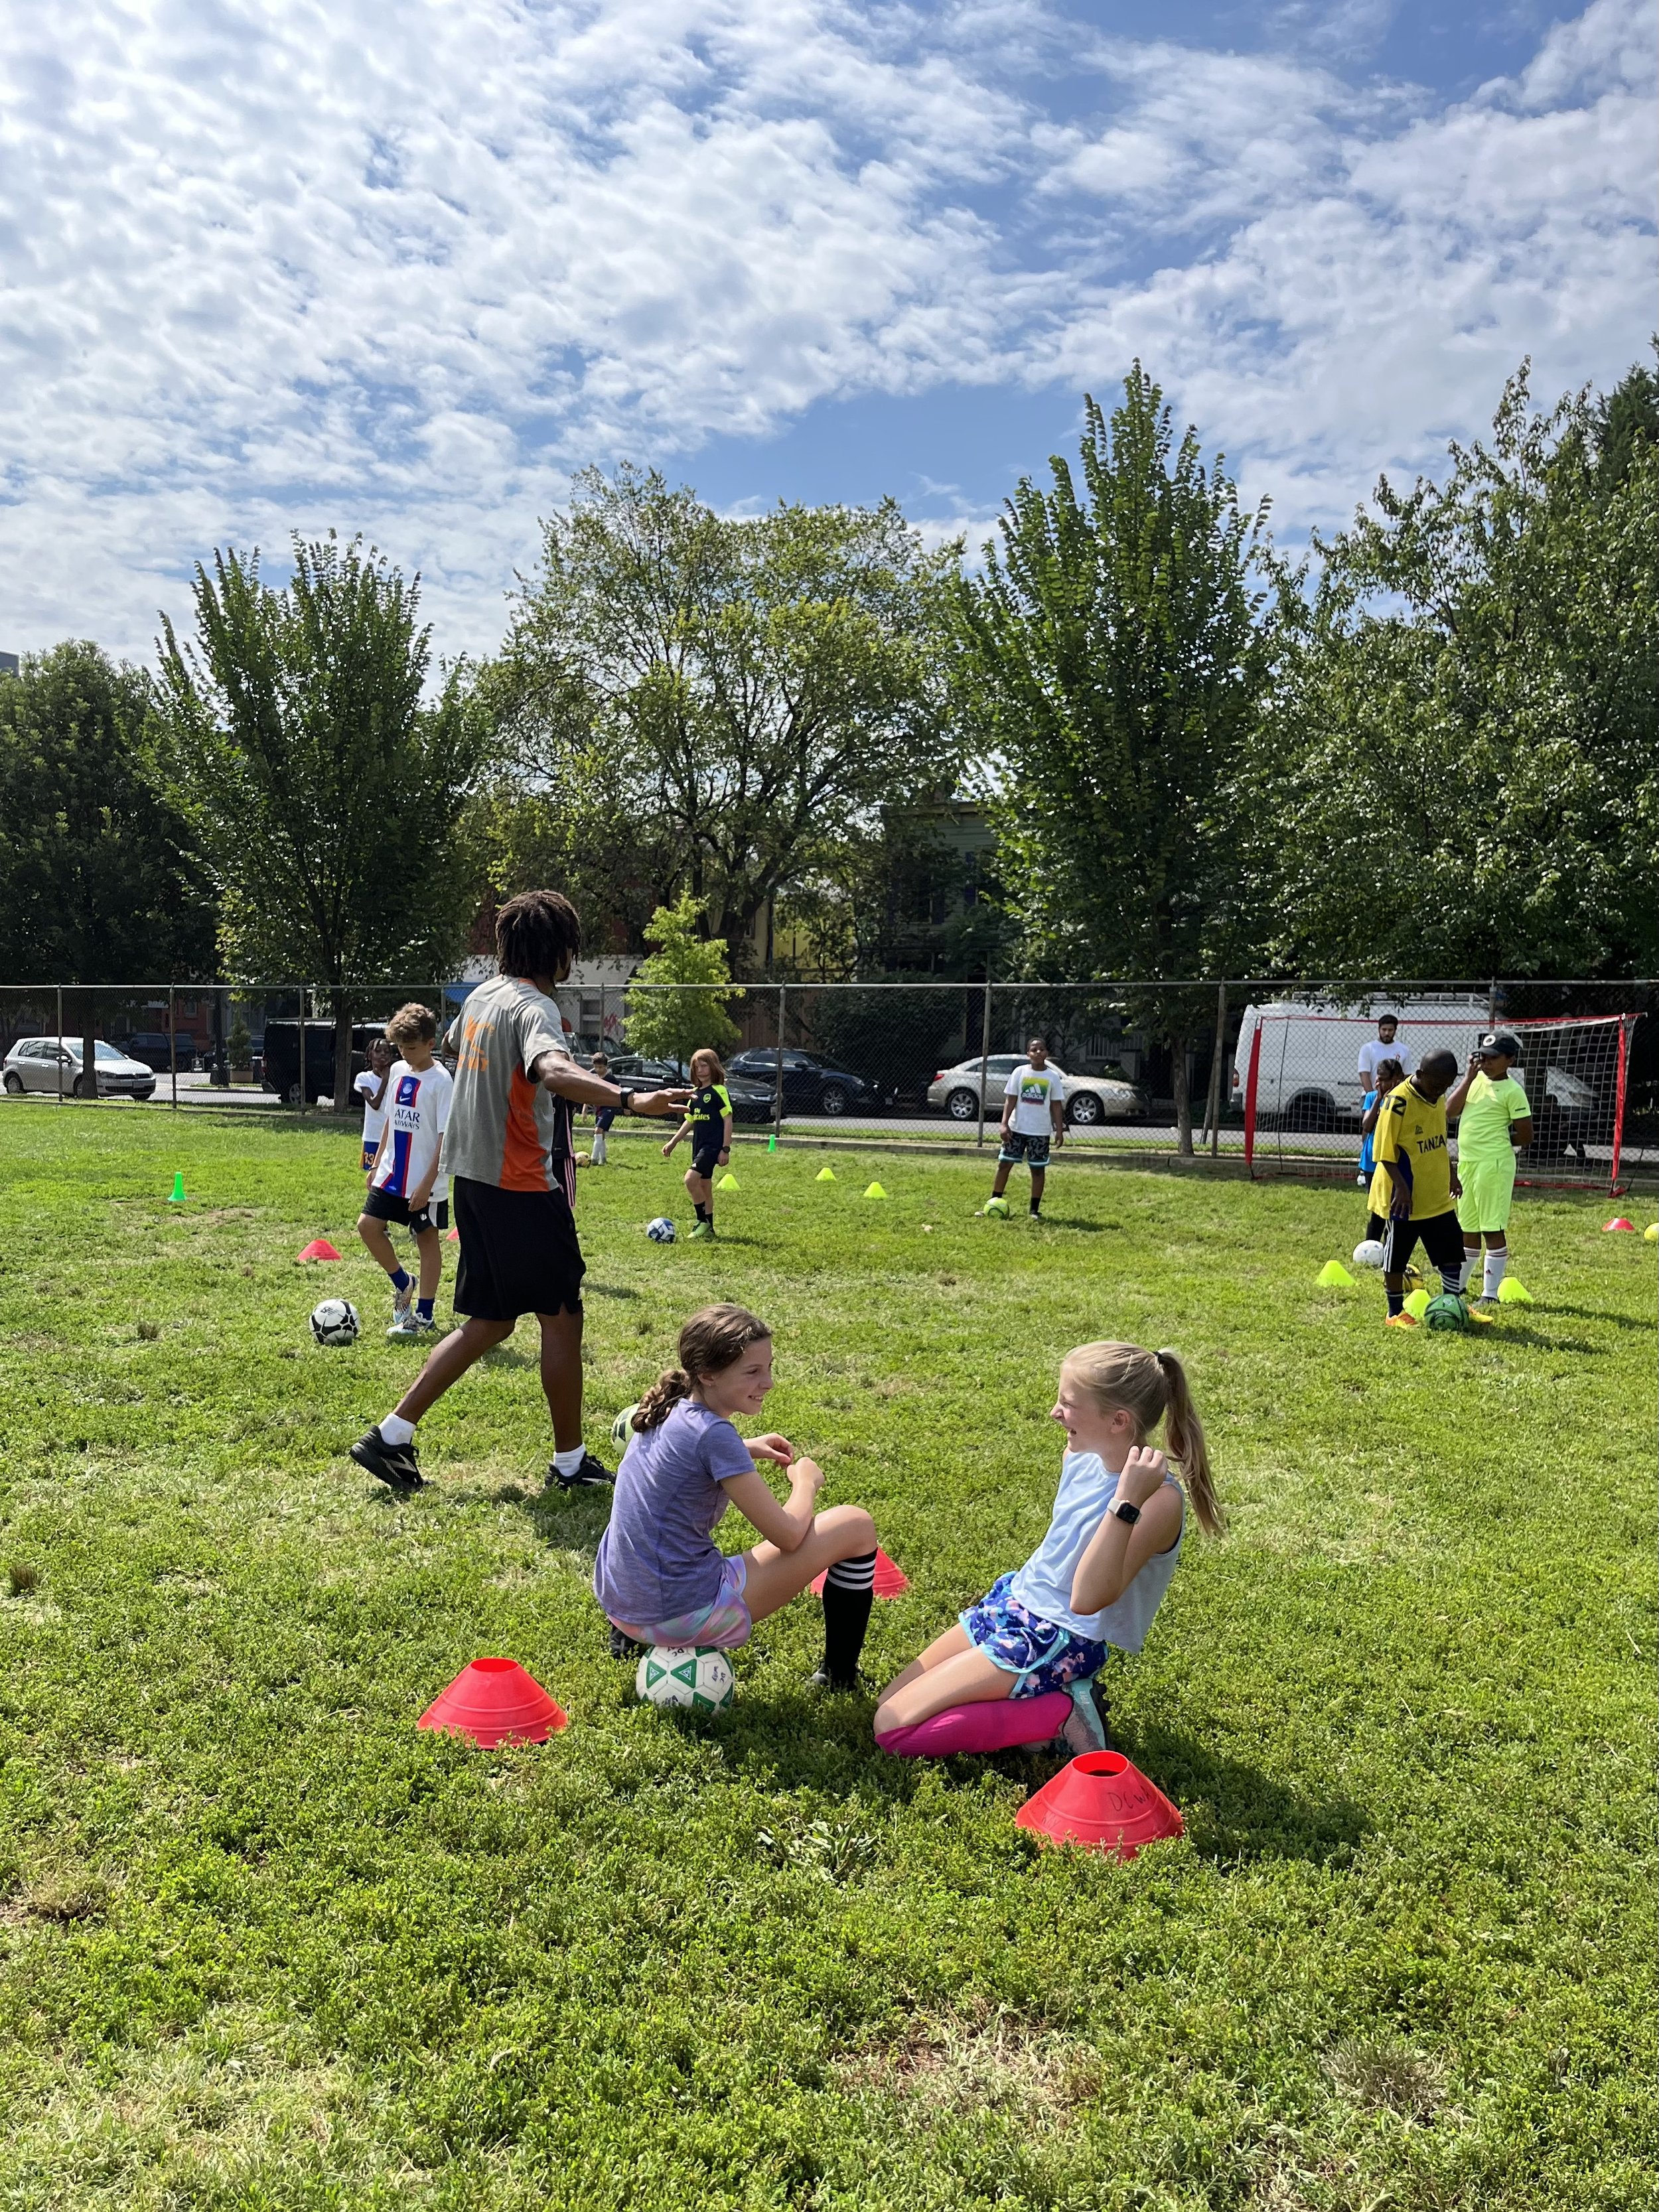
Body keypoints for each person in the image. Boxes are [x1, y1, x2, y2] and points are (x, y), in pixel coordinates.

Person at [349, 889, 687, 1498]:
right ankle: (569, 1465)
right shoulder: (537, 1008)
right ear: (559, 951)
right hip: (521, 1185)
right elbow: (553, 1070)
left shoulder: (482, 997)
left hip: (474, 1182)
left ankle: (392, 1435)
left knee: (492, 1322)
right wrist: (632, 1100)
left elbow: (454, 1043)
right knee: (561, 1318)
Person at [874, 1342, 1220, 1757]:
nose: (1055, 1413)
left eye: (1069, 1404)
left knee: (892, 1732)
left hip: (1060, 1635)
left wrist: (1126, 1500)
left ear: (1118, 1421)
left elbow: (1087, 1598)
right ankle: (1031, 1706)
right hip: (1016, 1604)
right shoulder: (1082, 1456)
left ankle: (1062, 1712)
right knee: (886, 1706)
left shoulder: (1158, 1501)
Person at [595, 1304, 880, 1688]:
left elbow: (681, 1459)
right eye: (753, 1372)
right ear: (708, 1375)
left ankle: (630, 1638)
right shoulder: (714, 1436)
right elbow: (789, 1535)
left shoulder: (668, 1409)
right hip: (678, 1615)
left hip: (623, 1602)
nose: (769, 1383)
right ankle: (838, 1674)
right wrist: (806, 1483)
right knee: (855, 1525)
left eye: (769, 1368)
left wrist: (746, 1447)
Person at [1369, 1048, 1489, 1328]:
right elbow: (1383, 1152)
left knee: (1451, 1255)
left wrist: (1450, 1174)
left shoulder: (1437, 1094)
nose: (1439, 1092)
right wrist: (1401, 1188)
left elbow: (1438, 1140)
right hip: (1405, 1199)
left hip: (1436, 1195)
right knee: (1396, 1257)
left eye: (1445, 1087)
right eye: (1436, 1086)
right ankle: (1394, 1312)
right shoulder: (1397, 1102)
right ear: (1420, 1075)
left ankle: (1453, 1303)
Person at [358, 1004, 453, 1339]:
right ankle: (403, 1282)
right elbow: (391, 1119)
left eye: (411, 1047)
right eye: (401, 1047)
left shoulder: (442, 1081)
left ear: (431, 1043)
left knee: (426, 1240)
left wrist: (427, 1184)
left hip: (424, 1182)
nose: (404, 1053)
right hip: (391, 1174)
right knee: (367, 1226)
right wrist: (376, 1163)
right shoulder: (398, 1070)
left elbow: (444, 1136)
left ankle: (424, 1315)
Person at [1445, 1030, 1532, 1310]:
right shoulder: (1475, 1081)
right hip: (1468, 1164)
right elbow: (1449, 1111)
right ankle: (1458, 1286)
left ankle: (1490, 1293)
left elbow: (1526, 1135)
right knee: (1467, 1227)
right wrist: (1469, 1077)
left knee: (1491, 1227)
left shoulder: (1513, 1092)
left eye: (1494, 1058)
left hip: (1494, 1165)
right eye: (1483, 1056)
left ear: (1510, 1060)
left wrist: (1499, 1143)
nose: (1487, 1062)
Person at [986, 1037, 1066, 1218]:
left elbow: (1056, 1105)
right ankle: (994, 1202)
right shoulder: (1020, 1072)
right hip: (1017, 1129)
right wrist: (1004, 1124)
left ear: (1047, 1053)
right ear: (1028, 1054)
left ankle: (1034, 1210)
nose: (1038, 1052)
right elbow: (1011, 1099)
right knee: (1004, 1164)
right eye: (1034, 1050)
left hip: (1040, 1131)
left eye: (1042, 1049)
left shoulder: (1052, 1077)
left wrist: (1059, 1130)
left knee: (1038, 1169)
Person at [662, 1048, 733, 1240]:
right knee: (704, 1187)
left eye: (704, 1065)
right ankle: (709, 1229)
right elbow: (690, 1120)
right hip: (698, 1146)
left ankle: (701, 1221)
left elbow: (728, 1119)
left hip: (712, 1147)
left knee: (689, 1180)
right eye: (697, 1066)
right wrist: (673, 1142)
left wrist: (725, 1149)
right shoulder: (694, 1094)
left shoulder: (719, 1091)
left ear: (713, 1066)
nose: (701, 1069)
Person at [1358, 1054, 1405, 1237]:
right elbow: (1367, 1126)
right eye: (1377, 1077)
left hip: (1392, 1162)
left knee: (1393, 1208)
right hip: (1372, 1162)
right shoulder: (1372, 1097)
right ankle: (1371, 1244)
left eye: (1384, 1079)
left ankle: (1389, 1248)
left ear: (1397, 1079)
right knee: (1377, 1209)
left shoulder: (1402, 1099)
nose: (1378, 1082)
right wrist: (1378, 1098)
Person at [354, 1038, 395, 1176]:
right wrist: (384, 1080)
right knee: (374, 1177)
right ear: (369, 1055)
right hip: (373, 1137)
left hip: (392, 1137)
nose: (383, 1054)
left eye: (386, 1052)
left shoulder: (397, 1077)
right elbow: (375, 1103)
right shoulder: (364, 1078)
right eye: (378, 1051)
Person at [1358, 1013, 1416, 1093]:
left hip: (1395, 1096)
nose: (1387, 1033)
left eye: (1390, 1030)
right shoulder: (1368, 1049)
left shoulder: (1404, 1050)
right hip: (1370, 1095)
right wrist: (1371, 1096)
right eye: (1384, 1030)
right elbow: (1364, 1074)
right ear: (1379, 1029)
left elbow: (1407, 1077)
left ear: (1395, 1030)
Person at [587, 1050, 616, 1165]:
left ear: (606, 1067)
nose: (598, 1070)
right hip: (599, 1110)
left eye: (600, 1067)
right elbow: (590, 1095)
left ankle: (593, 1159)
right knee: (601, 1134)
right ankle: (603, 1160)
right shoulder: (595, 1079)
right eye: (596, 1067)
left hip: (609, 1108)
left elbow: (619, 1093)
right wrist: (585, 1109)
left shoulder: (611, 1079)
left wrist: (626, 1107)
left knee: (598, 1131)